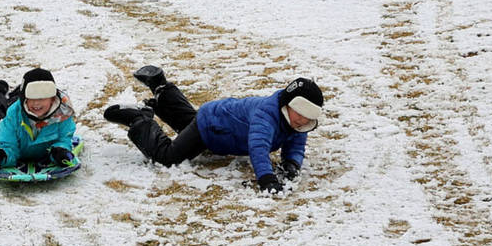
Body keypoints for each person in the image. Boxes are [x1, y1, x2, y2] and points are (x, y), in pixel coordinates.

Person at [103, 66, 325, 193]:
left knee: (189, 124)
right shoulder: (266, 115)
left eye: (309, 118)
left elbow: (296, 142)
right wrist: (267, 179)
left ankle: (161, 87)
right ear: (287, 105)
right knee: (167, 157)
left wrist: (291, 163)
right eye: (301, 114)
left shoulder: (296, 121)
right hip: (211, 127)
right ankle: (140, 119)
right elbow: (259, 147)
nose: (303, 121)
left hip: (219, 124)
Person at [0, 68, 78, 170]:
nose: (36, 102)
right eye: (31, 97)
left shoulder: (63, 115)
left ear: (53, 98)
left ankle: (15, 94)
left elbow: (64, 139)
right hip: (4, 130)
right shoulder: (14, 115)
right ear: (24, 98)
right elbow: (6, 143)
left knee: (27, 106)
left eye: (42, 97)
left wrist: (60, 152)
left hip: (23, 108)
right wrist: (1, 155)